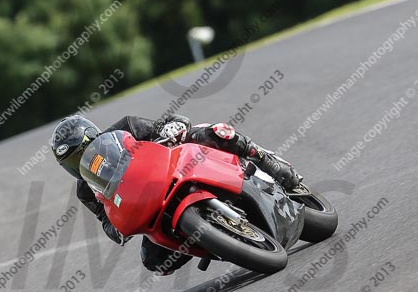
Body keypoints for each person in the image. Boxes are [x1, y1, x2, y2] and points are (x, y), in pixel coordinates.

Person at [50, 114, 302, 275]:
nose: (80, 162)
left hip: (177, 167)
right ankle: (212, 242)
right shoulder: (85, 190)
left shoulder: (125, 127)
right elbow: (104, 219)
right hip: (151, 204)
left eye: (80, 153)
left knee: (210, 133)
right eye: (72, 162)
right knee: (153, 260)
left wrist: (171, 129)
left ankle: (266, 160)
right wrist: (115, 228)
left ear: (93, 138)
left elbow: (166, 123)